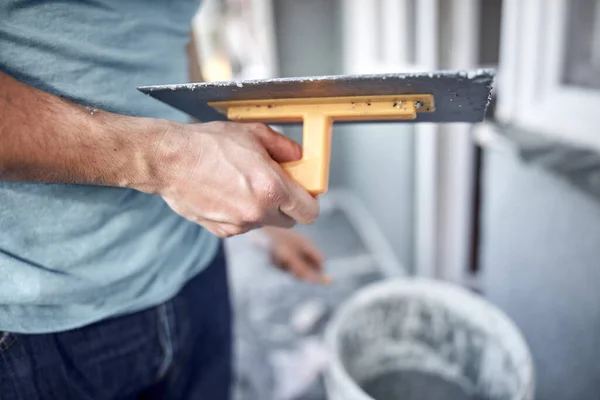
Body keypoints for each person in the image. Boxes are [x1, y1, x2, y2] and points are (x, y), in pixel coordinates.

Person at [0, 1, 326, 399]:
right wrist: (168, 159)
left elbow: (172, 32)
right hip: (43, 326)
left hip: (194, 268)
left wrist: (256, 203)